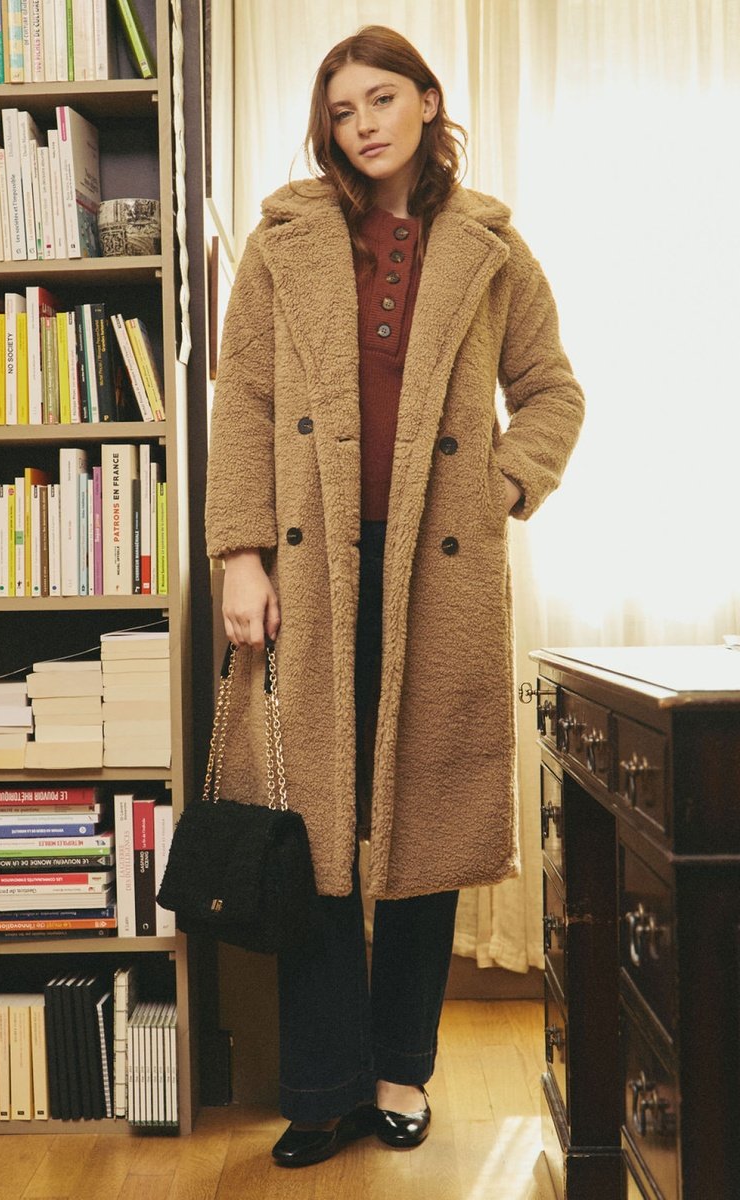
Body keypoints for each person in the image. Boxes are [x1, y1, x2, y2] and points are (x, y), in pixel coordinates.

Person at [205, 24, 584, 1168]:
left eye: (380, 98)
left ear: (425, 100)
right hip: (310, 565)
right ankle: (320, 1085)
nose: (361, 123)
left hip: (440, 569)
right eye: (340, 109)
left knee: (421, 825)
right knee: (316, 827)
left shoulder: (489, 248)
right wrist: (238, 555)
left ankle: (399, 1071)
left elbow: (550, 391)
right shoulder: (281, 242)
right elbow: (245, 405)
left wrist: (500, 484)